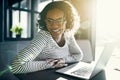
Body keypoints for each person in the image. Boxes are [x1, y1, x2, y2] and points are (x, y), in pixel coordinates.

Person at [10, 1, 83, 74]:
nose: (54, 25)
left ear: (68, 20)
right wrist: (51, 64)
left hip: (61, 72)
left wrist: (63, 60)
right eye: (49, 20)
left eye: (59, 20)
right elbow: (16, 67)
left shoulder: (68, 34)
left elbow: (78, 55)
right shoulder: (43, 36)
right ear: (45, 21)